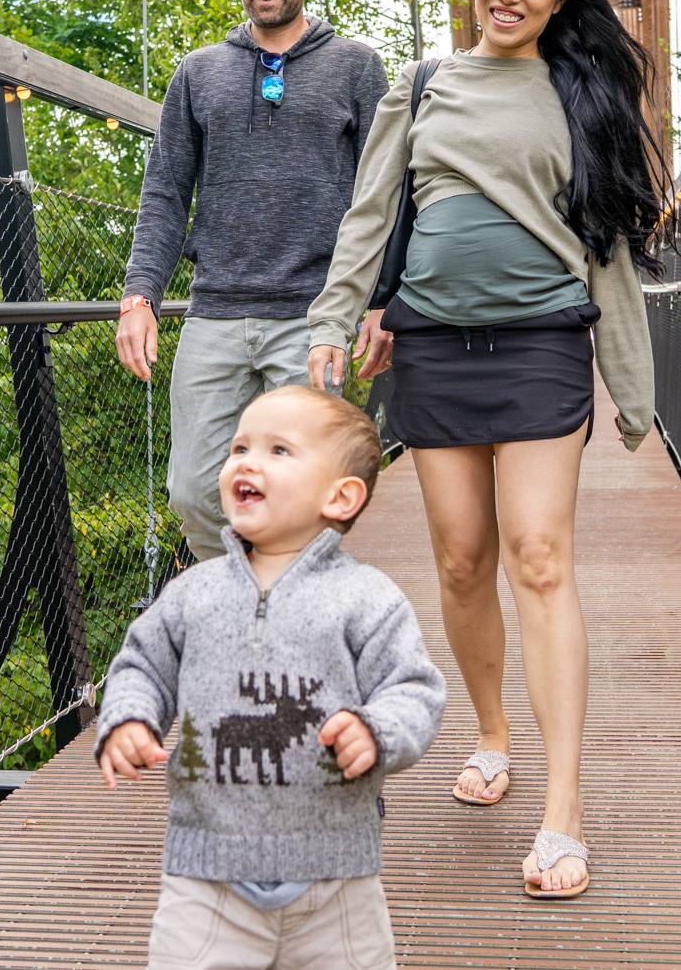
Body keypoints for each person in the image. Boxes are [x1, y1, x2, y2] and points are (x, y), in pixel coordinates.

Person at [307, 0, 671, 899]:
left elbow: (609, 249)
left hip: (541, 347)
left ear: (560, 2)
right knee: (462, 560)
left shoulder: (578, 92)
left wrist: (633, 386)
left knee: (539, 558)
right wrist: (334, 321)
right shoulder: (420, 87)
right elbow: (370, 214)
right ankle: (493, 734)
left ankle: (565, 809)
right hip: (432, 348)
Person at [96, 386, 446, 969]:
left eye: (278, 450)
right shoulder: (192, 593)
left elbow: (413, 689)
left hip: (337, 881)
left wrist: (376, 729)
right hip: (207, 876)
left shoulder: (368, 599)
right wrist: (128, 716)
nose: (246, 461)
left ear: (341, 497)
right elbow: (143, 665)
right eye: (239, 447)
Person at [116, 0, 392, 561]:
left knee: (301, 490)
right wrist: (139, 294)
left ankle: (292, 624)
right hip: (213, 312)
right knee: (191, 490)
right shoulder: (198, 72)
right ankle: (242, 599)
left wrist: (381, 300)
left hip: (312, 317)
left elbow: (383, 193)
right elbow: (163, 193)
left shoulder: (356, 67)